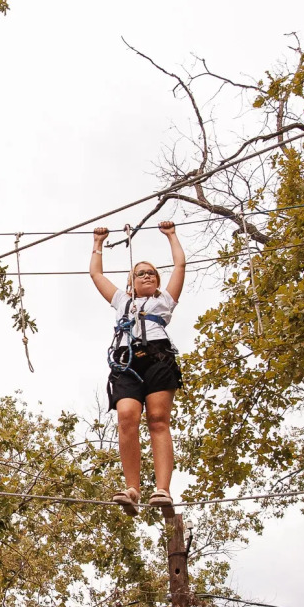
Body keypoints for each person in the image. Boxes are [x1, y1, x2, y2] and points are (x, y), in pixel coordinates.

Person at [90, 220, 186, 513]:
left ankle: (162, 490)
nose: (147, 275)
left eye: (152, 273)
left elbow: (180, 265)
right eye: (140, 273)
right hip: (125, 361)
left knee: (158, 419)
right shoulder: (121, 300)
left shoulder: (165, 301)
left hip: (158, 358)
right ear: (131, 281)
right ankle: (132, 489)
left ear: (157, 280)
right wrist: (98, 243)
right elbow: (95, 274)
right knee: (127, 418)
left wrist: (171, 235)